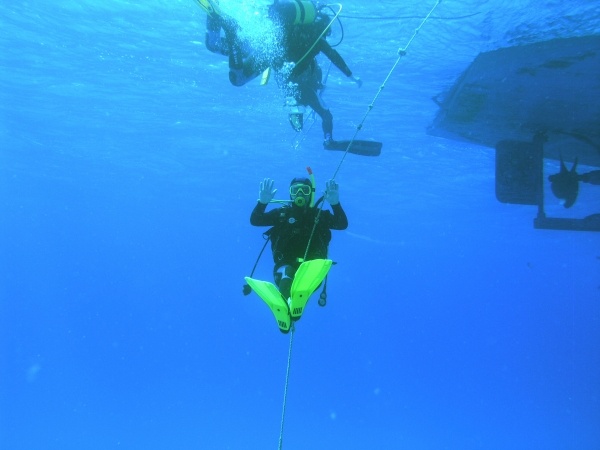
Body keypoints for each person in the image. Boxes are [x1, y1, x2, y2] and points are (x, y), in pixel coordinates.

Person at [199, 0, 361, 145]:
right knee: (238, 79)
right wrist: (328, 139)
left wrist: (351, 76)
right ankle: (231, 30)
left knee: (213, 44)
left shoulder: (310, 39)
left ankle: (217, 10)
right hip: (270, 53)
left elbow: (332, 56)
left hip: (267, 45)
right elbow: (326, 115)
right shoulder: (307, 93)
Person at [245, 175, 348, 332]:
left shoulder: (319, 215)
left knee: (303, 273)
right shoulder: (282, 214)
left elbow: (341, 224)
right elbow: (256, 220)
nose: (300, 194)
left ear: (310, 193)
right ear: (290, 193)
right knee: (287, 272)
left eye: (304, 190)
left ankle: (290, 304)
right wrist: (262, 202)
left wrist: (335, 203)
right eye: (295, 190)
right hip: (284, 265)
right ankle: (287, 305)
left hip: (313, 266)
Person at [268, 2, 362, 147]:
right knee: (326, 115)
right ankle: (328, 140)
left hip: (285, 79)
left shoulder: (295, 32)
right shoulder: (318, 39)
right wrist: (352, 77)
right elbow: (334, 56)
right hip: (300, 85)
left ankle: (297, 108)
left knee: (295, 98)